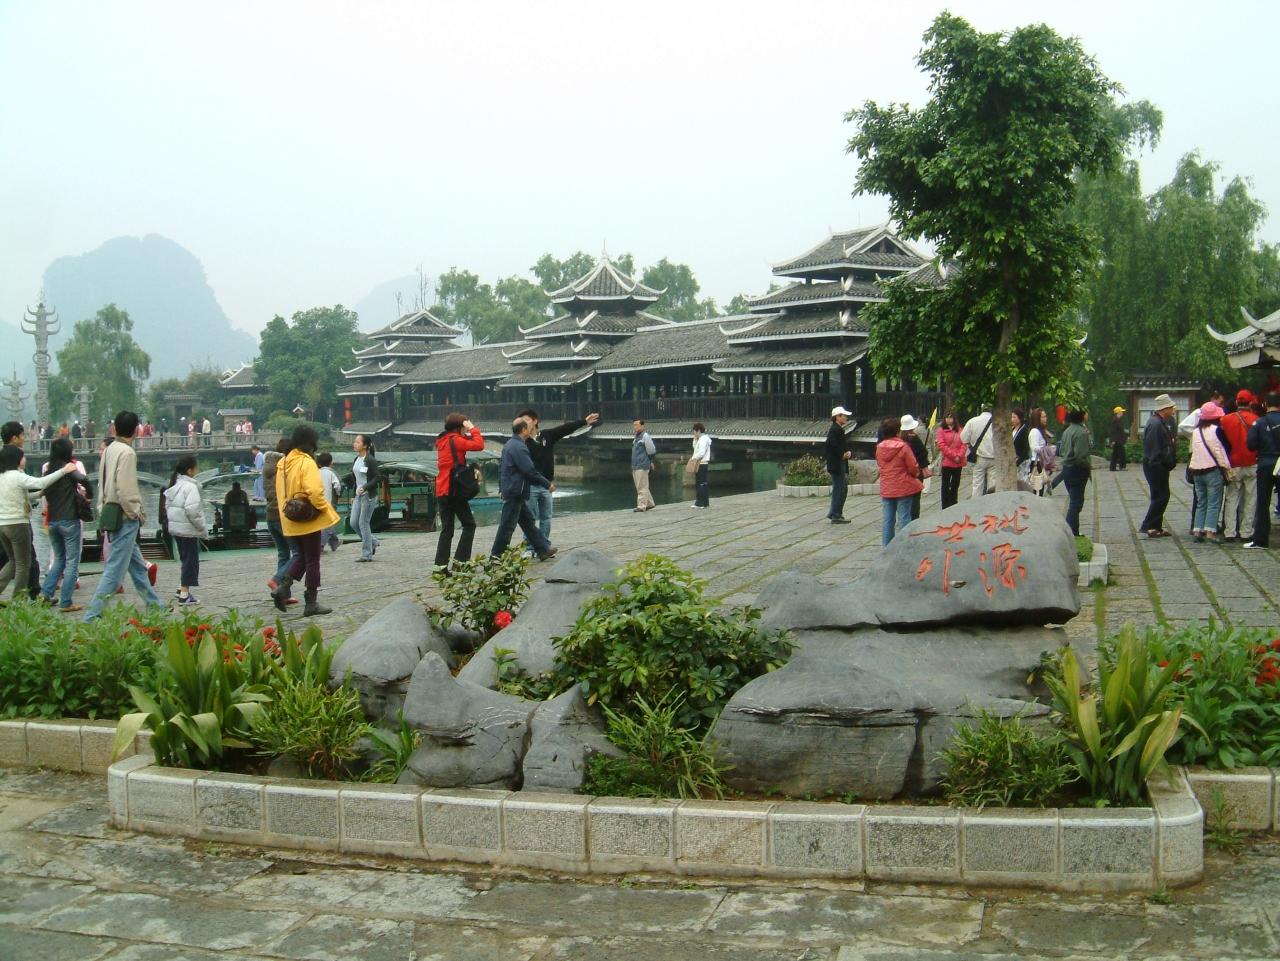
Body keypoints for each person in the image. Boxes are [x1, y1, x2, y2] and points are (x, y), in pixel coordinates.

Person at [83, 411, 165, 622]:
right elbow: (125, 489)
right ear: (136, 430)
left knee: (137, 567)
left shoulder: (109, 449)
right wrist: (136, 513)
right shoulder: (127, 453)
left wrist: (101, 507)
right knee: (114, 571)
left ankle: (156, 605)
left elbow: (103, 483)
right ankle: (92, 615)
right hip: (125, 516)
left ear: (115, 428)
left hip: (110, 511)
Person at [272, 425, 340, 616]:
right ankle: (311, 603)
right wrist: (324, 509)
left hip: (289, 517)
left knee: (302, 556)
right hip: (307, 518)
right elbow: (316, 492)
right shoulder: (306, 462)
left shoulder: (283, 462)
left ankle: (283, 587)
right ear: (311, 443)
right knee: (313, 560)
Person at [0, 446, 76, 600]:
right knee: (23, 563)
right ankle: (18, 599)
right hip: (18, 524)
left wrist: (39, 495)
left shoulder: (2, 477)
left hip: (3, 524)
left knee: (13, 561)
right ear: (16, 459)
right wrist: (63, 471)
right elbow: (40, 482)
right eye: (23, 457)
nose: (25, 459)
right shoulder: (18, 476)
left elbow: (20, 495)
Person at [517, 407, 599, 540]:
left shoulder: (546, 436)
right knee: (530, 518)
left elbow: (564, 429)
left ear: (535, 421)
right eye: (522, 420)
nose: (524, 422)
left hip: (547, 485)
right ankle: (530, 547)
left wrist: (584, 422)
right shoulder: (522, 442)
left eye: (526, 419)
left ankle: (544, 545)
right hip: (530, 486)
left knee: (546, 518)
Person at [490, 418, 557, 560]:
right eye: (528, 428)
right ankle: (496, 556)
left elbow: (501, 468)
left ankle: (543, 549)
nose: (531, 430)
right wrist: (547, 484)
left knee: (528, 523)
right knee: (507, 525)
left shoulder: (510, 444)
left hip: (513, 489)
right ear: (523, 430)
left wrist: (501, 488)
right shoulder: (519, 447)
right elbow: (529, 470)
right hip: (516, 491)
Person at [39, 437, 90, 612]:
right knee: (72, 561)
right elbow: (85, 481)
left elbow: (43, 492)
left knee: (59, 559)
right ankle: (66, 601)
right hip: (69, 519)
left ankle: (45, 594)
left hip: (53, 520)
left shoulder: (48, 470)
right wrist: (88, 496)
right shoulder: (70, 468)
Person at [434, 412, 485, 574]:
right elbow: (479, 445)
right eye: (464, 426)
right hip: (454, 489)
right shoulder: (455, 440)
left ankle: (440, 567)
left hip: (442, 489)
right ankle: (461, 562)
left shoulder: (443, 440)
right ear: (459, 427)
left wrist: (467, 431)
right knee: (469, 525)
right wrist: (473, 428)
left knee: (447, 529)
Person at [1188, 402, 1231, 544]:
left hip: (1196, 471)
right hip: (1213, 470)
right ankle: (1210, 532)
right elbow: (1224, 449)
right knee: (1214, 502)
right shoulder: (1217, 430)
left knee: (1201, 502)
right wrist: (1226, 467)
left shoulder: (1195, 431)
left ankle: (1197, 530)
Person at [263, 437, 299, 606]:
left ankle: (283, 594)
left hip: (270, 515)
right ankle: (276, 580)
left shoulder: (267, 467)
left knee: (283, 554)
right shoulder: (284, 467)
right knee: (298, 553)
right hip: (282, 516)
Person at [876, 417, 923, 545]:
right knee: (904, 517)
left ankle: (887, 546)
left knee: (888, 519)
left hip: (887, 487)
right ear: (898, 431)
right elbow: (913, 466)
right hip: (903, 486)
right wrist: (916, 474)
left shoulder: (879, 447)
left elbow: (880, 464)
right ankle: (904, 545)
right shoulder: (903, 446)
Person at [164, 455, 204, 604]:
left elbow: (167, 507)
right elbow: (192, 510)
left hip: (176, 528)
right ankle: (185, 594)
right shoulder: (190, 487)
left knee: (184, 558)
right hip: (188, 529)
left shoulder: (175, 485)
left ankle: (180, 587)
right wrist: (200, 526)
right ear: (190, 471)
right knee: (190, 561)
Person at [1220, 390, 1259, 542]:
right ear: (1250, 403)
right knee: (1250, 499)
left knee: (1231, 497)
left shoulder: (1225, 420)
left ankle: (1229, 531)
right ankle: (1246, 532)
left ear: (1236, 402)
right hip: (1252, 462)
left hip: (1233, 462)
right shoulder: (1256, 419)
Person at [1139, 395, 1178, 538]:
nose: (1173, 410)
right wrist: (1159, 463)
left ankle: (1156, 526)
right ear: (1165, 409)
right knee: (1161, 496)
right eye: (1171, 407)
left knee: (1160, 495)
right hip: (1155, 465)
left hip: (1157, 464)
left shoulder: (1158, 421)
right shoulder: (1156, 424)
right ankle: (1149, 525)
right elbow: (1154, 447)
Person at [1245, 393, 1280, 550]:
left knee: (1263, 502)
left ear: (1265, 404)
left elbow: (1251, 444)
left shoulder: (1259, 422)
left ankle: (1261, 540)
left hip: (1266, 463)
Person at [1057, 409, 1092, 536]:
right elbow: (1080, 455)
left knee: (1074, 500)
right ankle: (1069, 530)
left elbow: (1061, 450)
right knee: (1076, 503)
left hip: (1067, 469)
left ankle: (1075, 531)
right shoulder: (1081, 432)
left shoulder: (1067, 431)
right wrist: (1087, 465)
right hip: (1078, 469)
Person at [348, 433, 381, 562]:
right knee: (353, 523)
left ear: (365, 445)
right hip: (358, 496)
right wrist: (353, 495)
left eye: (358, 442)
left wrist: (365, 487)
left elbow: (377, 477)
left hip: (368, 496)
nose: (355, 444)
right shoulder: (356, 459)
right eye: (355, 442)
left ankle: (366, 554)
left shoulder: (370, 460)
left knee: (363, 523)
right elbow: (356, 479)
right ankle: (373, 542)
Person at [825, 406, 853, 523]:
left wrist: (847, 452)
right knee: (840, 489)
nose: (846, 418)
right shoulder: (835, 429)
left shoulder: (837, 429)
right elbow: (831, 443)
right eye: (844, 416)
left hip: (838, 463)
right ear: (837, 417)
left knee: (841, 488)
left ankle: (834, 512)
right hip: (837, 464)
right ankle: (836, 514)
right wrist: (842, 454)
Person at [899, 414, 930, 520]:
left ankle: (904, 519)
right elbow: (923, 453)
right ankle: (914, 519)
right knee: (915, 499)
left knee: (904, 499)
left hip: (902, 473)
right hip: (916, 472)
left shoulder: (900, 440)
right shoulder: (914, 439)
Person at [934, 411, 966, 509]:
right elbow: (941, 445)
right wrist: (953, 456)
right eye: (947, 417)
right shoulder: (941, 430)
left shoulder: (960, 430)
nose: (949, 419)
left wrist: (959, 456)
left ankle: (954, 503)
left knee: (955, 484)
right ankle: (945, 505)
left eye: (951, 417)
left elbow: (964, 444)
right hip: (947, 461)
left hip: (958, 462)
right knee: (945, 484)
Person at [960, 407, 995, 497]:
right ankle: (992, 502)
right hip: (994, 457)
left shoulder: (972, 421)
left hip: (979, 456)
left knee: (977, 484)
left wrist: (971, 445)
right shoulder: (996, 421)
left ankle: (976, 502)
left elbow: (963, 437)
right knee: (993, 484)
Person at [316, 452, 343, 552]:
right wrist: (338, 493)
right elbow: (337, 485)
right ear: (331, 462)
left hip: (317, 501)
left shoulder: (315, 472)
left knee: (324, 523)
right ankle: (321, 545)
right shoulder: (331, 473)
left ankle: (334, 543)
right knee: (329, 523)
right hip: (329, 501)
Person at [631, 419, 657, 512]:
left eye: (637, 425)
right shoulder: (636, 437)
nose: (635, 427)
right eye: (634, 425)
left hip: (642, 465)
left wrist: (650, 461)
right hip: (635, 465)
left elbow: (651, 450)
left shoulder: (645, 436)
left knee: (641, 487)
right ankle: (650, 503)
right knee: (642, 486)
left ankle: (641, 506)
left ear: (642, 426)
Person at [1027, 407, 1055, 497]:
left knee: (1040, 489)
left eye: (1045, 416)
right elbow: (1034, 447)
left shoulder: (1041, 431)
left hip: (1041, 462)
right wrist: (1048, 450)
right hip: (1037, 463)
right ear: (1037, 418)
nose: (1045, 419)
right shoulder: (1035, 432)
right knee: (1037, 490)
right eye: (1043, 417)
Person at [690, 422, 712, 509]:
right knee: (703, 483)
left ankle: (700, 503)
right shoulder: (702, 439)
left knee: (700, 483)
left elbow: (701, 452)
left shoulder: (703, 440)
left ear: (698, 431)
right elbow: (695, 447)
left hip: (701, 463)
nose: (694, 433)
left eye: (694, 432)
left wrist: (693, 458)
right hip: (703, 463)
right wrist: (695, 439)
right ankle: (705, 502)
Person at [1011, 408, 1031, 485]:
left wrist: (1019, 461)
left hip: (1022, 461)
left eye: (1014, 417)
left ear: (1019, 418)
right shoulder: (1012, 429)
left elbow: (1026, 448)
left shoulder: (1024, 430)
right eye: (1011, 417)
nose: (1012, 419)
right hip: (1013, 459)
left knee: (1022, 482)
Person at [1108, 406, 1129, 471]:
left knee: (1115, 454)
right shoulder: (1115, 420)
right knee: (1122, 453)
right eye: (1121, 411)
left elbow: (1120, 431)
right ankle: (1122, 467)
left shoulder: (1119, 420)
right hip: (1117, 441)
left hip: (1119, 440)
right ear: (1118, 412)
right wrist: (1113, 440)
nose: (1122, 413)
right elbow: (1113, 431)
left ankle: (1112, 467)